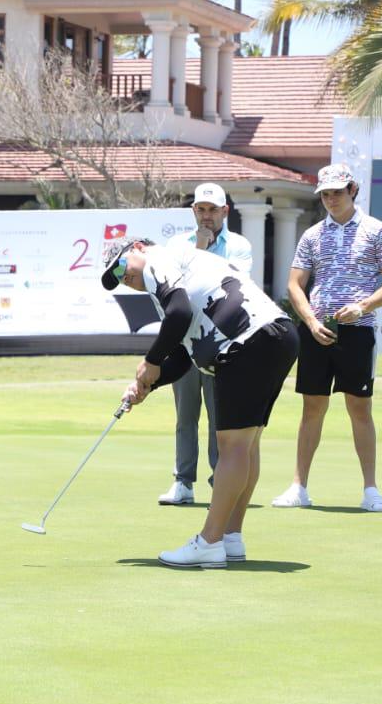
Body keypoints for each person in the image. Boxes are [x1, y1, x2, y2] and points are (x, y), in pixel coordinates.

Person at [100, 236, 299, 569]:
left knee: (232, 446)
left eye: (121, 266)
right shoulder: (181, 269)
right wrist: (149, 384)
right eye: (117, 278)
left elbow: (178, 315)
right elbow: (183, 354)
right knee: (246, 446)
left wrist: (150, 360)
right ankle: (230, 537)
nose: (125, 279)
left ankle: (209, 542)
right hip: (277, 337)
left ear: (137, 248)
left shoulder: (156, 260)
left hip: (248, 341)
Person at [271, 163, 382, 513]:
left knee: (359, 407)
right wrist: (311, 321)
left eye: (337, 192)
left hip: (358, 331)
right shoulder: (312, 235)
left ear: (353, 190)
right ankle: (299, 487)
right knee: (311, 407)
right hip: (317, 330)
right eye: (325, 193)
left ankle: (371, 489)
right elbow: (294, 285)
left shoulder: (377, 231)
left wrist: (362, 307)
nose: (331, 199)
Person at [157, 183, 254, 506]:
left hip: (222, 343)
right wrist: (199, 247)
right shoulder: (176, 244)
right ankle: (183, 482)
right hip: (184, 341)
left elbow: (234, 289)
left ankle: (219, 481)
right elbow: (176, 291)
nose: (206, 215)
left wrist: (200, 254)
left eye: (213, 209)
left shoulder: (238, 246)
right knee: (186, 416)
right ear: (193, 211)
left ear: (225, 211)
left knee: (219, 418)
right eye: (201, 209)